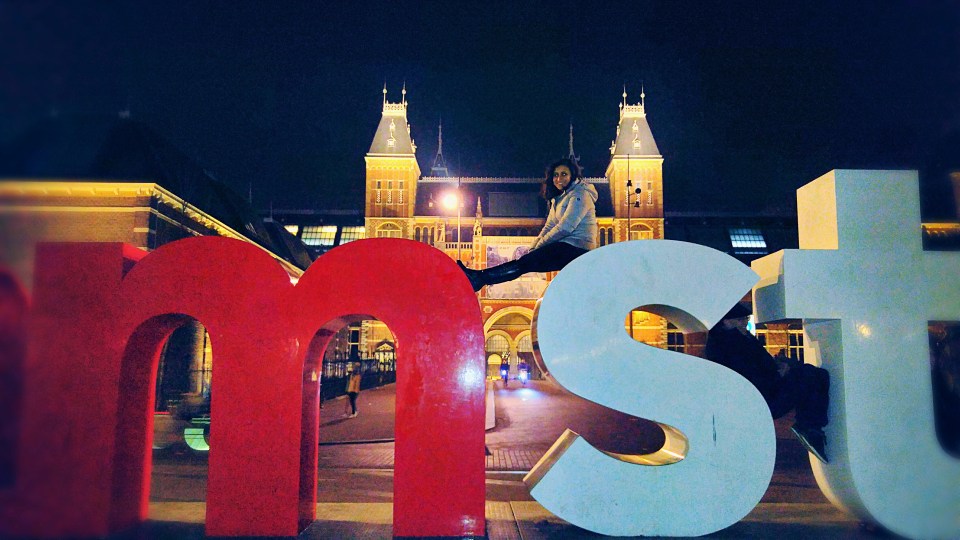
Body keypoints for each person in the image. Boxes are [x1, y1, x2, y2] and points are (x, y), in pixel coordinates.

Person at [702, 303, 831, 463]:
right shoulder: (733, 343)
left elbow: (757, 368)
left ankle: (810, 427)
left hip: (763, 394)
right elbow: (749, 375)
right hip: (763, 398)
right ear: (726, 322)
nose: (745, 322)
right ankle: (809, 426)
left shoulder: (737, 340)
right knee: (812, 376)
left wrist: (779, 368)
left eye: (746, 319)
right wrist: (779, 374)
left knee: (812, 374)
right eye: (740, 319)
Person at [459, 158, 598, 292]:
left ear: (572, 175)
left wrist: (541, 245)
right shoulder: (559, 198)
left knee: (524, 264)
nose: (559, 178)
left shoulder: (581, 194)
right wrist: (534, 246)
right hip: (565, 246)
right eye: (556, 175)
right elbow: (549, 226)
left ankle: (479, 278)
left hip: (577, 248)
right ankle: (479, 277)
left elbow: (565, 227)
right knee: (524, 263)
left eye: (564, 174)